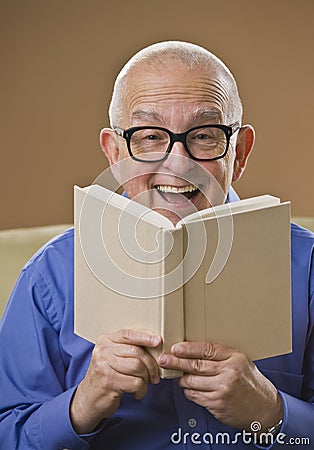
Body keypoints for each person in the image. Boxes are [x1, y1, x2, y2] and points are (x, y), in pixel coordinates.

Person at [0, 41, 313, 450]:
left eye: (204, 135)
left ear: (240, 153)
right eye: (149, 137)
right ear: (114, 153)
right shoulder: (51, 275)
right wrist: (83, 404)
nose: (177, 163)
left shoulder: (307, 267)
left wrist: (272, 412)